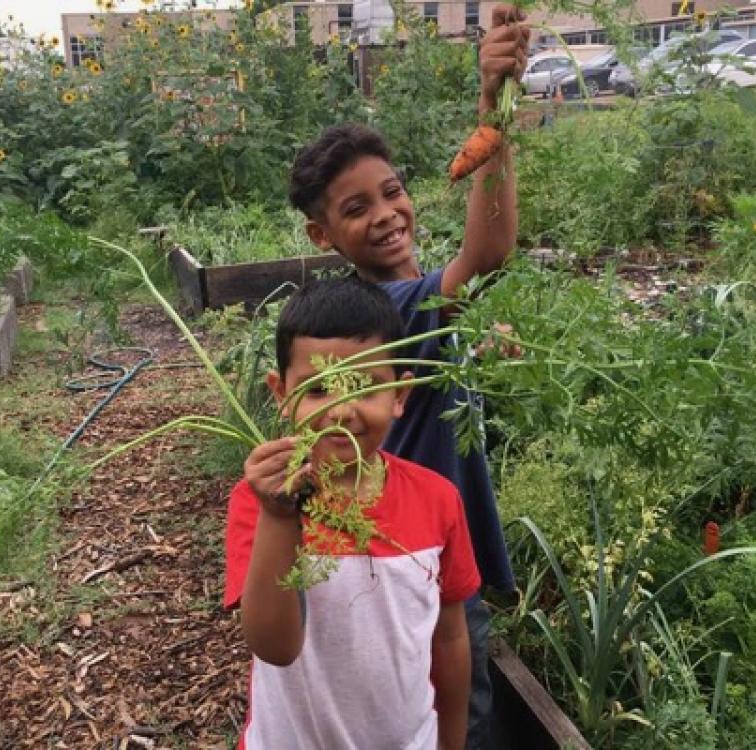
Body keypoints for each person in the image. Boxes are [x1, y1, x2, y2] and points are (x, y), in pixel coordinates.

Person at [286, 8, 530, 747]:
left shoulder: (416, 303)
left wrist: (474, 349)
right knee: (451, 713)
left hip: (427, 550)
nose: (388, 214)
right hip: (415, 559)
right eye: (356, 210)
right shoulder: (386, 309)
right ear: (322, 237)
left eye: (391, 192)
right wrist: (493, 109)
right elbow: (487, 253)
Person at [224, 276, 481, 749]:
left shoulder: (438, 498)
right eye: (319, 389)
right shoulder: (259, 501)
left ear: (400, 396)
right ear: (281, 393)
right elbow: (274, 647)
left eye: (363, 387)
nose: (341, 411)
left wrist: (452, 741)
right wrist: (280, 517)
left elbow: (449, 639)